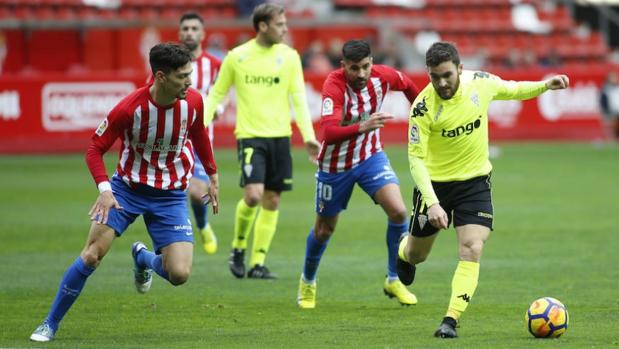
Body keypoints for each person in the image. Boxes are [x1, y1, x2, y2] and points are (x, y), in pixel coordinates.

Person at [30, 43, 220, 342]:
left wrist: (212, 173)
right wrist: (105, 190)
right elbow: (95, 149)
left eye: (190, 75)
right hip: (126, 190)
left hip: (170, 194)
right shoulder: (130, 108)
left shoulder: (193, 101)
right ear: (160, 76)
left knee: (179, 275)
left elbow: (198, 135)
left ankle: (143, 258)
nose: (190, 82)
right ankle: (49, 324)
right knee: (92, 255)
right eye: (182, 76)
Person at [396, 41, 569, 338]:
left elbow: (513, 89)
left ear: (460, 70)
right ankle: (402, 251)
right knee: (416, 255)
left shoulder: (481, 83)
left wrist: (545, 85)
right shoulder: (422, 107)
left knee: (472, 247)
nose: (441, 82)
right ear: (428, 73)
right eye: (434, 76)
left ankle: (450, 320)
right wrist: (432, 203)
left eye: (447, 75)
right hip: (435, 188)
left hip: (474, 183)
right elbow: (415, 159)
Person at [296, 39, 420, 309]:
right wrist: (364, 126)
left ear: (371, 62)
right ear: (344, 66)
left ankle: (393, 278)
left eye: (365, 66)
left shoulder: (383, 76)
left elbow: (409, 85)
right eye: (355, 68)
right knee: (324, 229)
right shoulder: (334, 84)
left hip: (370, 157)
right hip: (335, 166)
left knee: (399, 212)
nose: (361, 73)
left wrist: (421, 114)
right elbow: (328, 132)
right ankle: (308, 281)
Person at [203, 3, 320, 279]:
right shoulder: (237, 57)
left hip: (280, 138)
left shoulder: (289, 57)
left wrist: (309, 136)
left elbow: (299, 99)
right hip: (251, 137)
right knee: (253, 195)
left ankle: (257, 263)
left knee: (273, 200)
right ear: (263, 26)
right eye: (280, 24)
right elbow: (217, 94)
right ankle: (238, 247)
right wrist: (200, 124)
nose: (285, 29)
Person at [179, 12, 222, 254]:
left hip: (201, 139)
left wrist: (220, 107)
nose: (189, 33)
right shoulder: (170, 62)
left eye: (194, 29)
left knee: (197, 193)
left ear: (202, 34)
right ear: (179, 32)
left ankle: (203, 225)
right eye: (185, 28)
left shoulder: (214, 65)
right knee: (173, 191)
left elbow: (223, 91)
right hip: (172, 138)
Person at [599, 71, 619, 142]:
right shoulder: (605, 89)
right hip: (610, 112)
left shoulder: (617, 88)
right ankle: (612, 139)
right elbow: (603, 103)